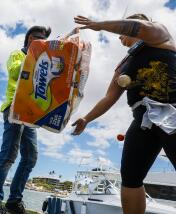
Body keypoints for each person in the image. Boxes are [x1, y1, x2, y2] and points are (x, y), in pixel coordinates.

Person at [72, 14, 176, 214]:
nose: (119, 38)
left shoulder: (158, 34)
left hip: (172, 111)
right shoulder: (123, 64)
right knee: (130, 177)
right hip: (143, 120)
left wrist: (99, 24)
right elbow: (109, 97)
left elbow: (136, 27)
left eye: (121, 33)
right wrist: (87, 119)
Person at [0, 26, 51, 214]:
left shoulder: (43, 62)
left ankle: (14, 201)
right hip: (14, 108)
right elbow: (14, 73)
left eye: (43, 40)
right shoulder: (18, 54)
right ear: (28, 39)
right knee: (8, 155)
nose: (39, 41)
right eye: (36, 38)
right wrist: (34, 55)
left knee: (30, 157)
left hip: (31, 113)